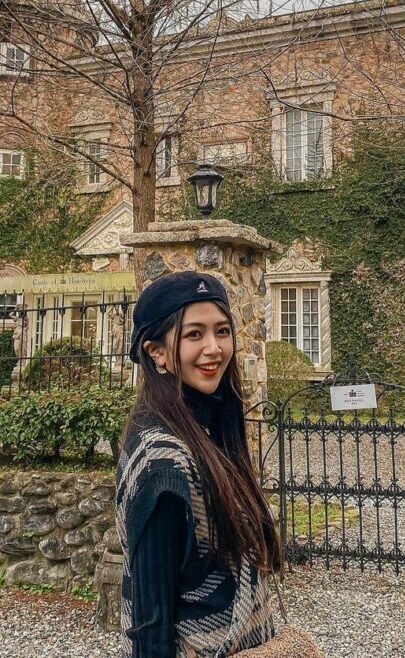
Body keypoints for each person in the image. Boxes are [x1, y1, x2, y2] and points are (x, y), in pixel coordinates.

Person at [115, 271, 283, 658]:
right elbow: (150, 628)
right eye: (194, 335)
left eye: (222, 331)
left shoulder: (208, 429)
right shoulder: (163, 465)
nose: (214, 348)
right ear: (155, 351)